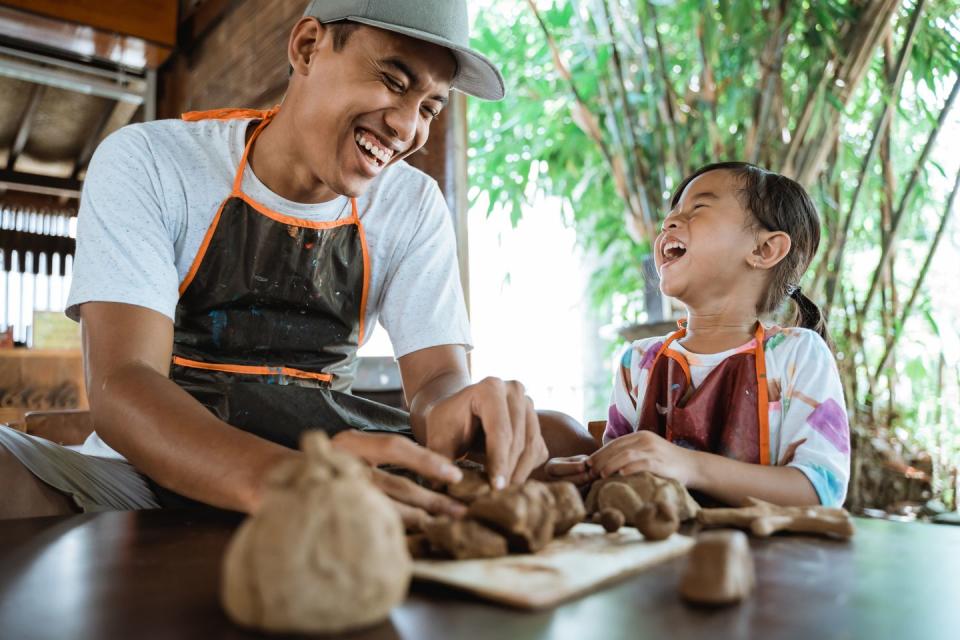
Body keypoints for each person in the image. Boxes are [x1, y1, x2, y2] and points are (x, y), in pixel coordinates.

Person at [0, 0, 594, 523]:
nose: (407, 126)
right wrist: (285, 481)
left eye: (431, 108)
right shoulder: (151, 162)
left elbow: (437, 383)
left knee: (561, 436)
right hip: (145, 473)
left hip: (331, 455)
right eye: (392, 79)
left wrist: (458, 409)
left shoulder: (413, 205)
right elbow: (124, 384)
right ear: (308, 46)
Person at [547, 162, 850, 507]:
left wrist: (687, 465)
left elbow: (820, 493)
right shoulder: (638, 363)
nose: (669, 223)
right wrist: (588, 471)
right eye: (671, 214)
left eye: (698, 208)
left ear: (763, 250)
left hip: (766, 560)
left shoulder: (798, 355)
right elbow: (616, 484)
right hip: (659, 556)